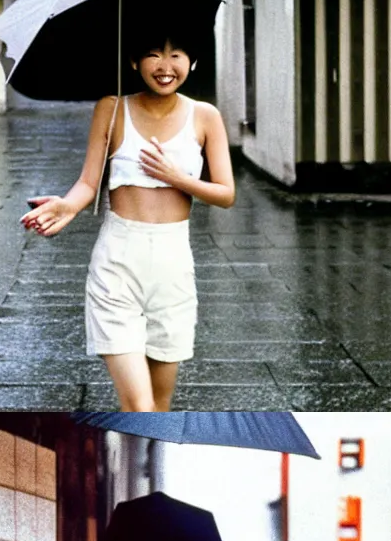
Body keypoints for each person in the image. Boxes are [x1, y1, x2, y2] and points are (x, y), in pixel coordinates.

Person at [23, 26, 235, 413]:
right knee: (138, 404)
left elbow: (226, 193)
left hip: (173, 263)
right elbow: (89, 182)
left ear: (193, 62)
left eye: (177, 54)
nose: (166, 65)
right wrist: (67, 206)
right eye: (154, 53)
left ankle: (148, 466)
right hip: (118, 260)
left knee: (160, 404)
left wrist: (177, 178)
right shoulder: (112, 107)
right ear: (135, 61)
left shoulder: (205, 116)